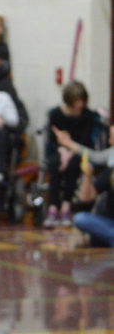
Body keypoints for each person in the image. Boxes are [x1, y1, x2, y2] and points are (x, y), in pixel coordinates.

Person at [43, 81, 104, 228]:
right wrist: (62, 151)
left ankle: (66, 205)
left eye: (82, 100)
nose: (80, 104)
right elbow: (51, 141)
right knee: (54, 164)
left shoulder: (88, 116)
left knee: (74, 164)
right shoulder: (55, 114)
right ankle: (53, 206)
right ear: (69, 100)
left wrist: (70, 151)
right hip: (59, 150)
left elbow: (86, 141)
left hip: (78, 151)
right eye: (76, 101)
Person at [53, 124, 114, 247]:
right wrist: (87, 175)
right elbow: (86, 198)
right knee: (81, 218)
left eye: (112, 136)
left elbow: (96, 157)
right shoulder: (111, 170)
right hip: (110, 222)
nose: (109, 140)